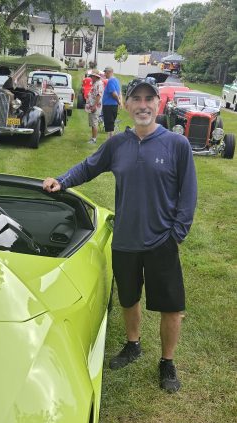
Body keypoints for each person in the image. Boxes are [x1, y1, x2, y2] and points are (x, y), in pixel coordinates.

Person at [42, 77, 197, 393]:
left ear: (158, 104)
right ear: (126, 105)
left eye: (148, 99)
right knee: (128, 298)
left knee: (171, 306)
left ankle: (167, 362)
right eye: (136, 99)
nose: (142, 105)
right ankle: (133, 344)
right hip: (125, 240)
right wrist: (62, 180)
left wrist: (176, 235)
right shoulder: (118, 144)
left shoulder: (177, 145)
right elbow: (88, 166)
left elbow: (188, 194)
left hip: (162, 242)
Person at [102, 66, 122, 138]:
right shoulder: (116, 80)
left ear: (110, 72)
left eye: (105, 72)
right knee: (111, 124)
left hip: (109, 106)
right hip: (113, 106)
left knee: (109, 126)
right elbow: (119, 93)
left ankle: (110, 141)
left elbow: (114, 93)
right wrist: (120, 102)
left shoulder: (110, 81)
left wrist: (119, 102)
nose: (104, 74)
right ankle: (110, 140)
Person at [85, 68, 104, 144]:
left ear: (96, 77)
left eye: (92, 76)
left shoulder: (99, 84)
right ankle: (93, 138)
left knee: (94, 122)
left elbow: (98, 95)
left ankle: (94, 139)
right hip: (93, 105)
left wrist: (94, 106)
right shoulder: (95, 83)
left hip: (95, 106)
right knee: (93, 123)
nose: (91, 77)